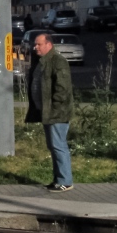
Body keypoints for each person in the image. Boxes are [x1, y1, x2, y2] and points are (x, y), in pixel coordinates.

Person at [26, 32, 75, 192]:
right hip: (46, 112)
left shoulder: (58, 62)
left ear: (49, 44)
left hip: (57, 113)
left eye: (39, 44)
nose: (35, 47)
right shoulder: (42, 61)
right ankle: (58, 179)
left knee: (58, 145)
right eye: (35, 44)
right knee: (53, 145)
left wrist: (54, 105)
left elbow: (62, 88)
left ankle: (65, 181)